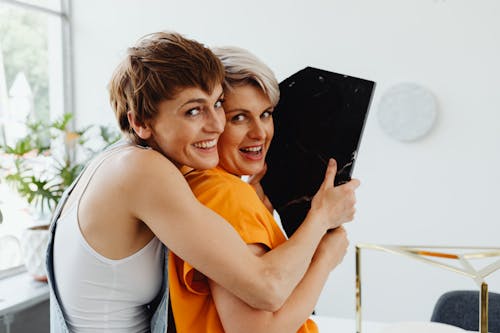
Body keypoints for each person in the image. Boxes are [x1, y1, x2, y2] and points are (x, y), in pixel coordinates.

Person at [46, 32, 359, 333]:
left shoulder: (116, 163)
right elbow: (268, 289)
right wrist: (321, 223)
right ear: (139, 122)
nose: (216, 125)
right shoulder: (143, 171)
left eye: (219, 104)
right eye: (193, 111)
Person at [169, 46, 357, 333]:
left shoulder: (209, 187)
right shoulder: (226, 194)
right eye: (239, 117)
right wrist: (324, 255)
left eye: (266, 114)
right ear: (211, 123)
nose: (260, 132)